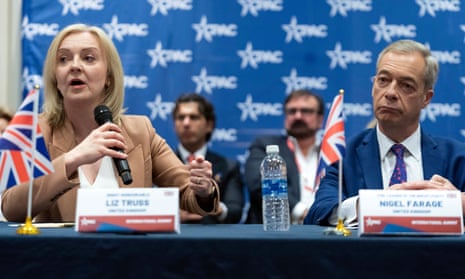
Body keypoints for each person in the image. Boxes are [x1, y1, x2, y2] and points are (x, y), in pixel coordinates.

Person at [1, 24, 220, 222]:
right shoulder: (35, 131)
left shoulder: (140, 131)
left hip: (128, 258)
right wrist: (72, 159)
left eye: (88, 58)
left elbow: (188, 195)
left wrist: (203, 189)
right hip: (62, 260)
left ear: (109, 77)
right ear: (55, 79)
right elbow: (11, 207)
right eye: (63, 59)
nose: (74, 66)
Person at [305, 39, 465, 226]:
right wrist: (379, 205)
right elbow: (318, 212)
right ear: (373, 86)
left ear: (426, 98)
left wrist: (456, 204)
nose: (390, 92)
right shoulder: (344, 156)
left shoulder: (457, 156)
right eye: (383, 80)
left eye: (406, 85)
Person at [244, 89, 325, 224]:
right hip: (274, 232)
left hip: (322, 231)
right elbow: (259, 184)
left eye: (306, 111)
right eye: (292, 111)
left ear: (320, 119)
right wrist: (302, 212)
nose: (298, 116)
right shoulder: (265, 147)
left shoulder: (331, 153)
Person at [172, 93, 245, 224]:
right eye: (180, 117)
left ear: (209, 125)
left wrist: (213, 206)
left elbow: (235, 211)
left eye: (193, 117)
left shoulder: (228, 166)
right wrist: (171, 213)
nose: (186, 123)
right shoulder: (159, 164)